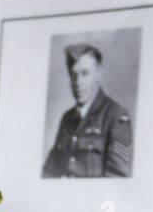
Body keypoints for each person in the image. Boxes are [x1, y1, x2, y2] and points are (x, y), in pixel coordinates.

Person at [42, 44, 133, 178]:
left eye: (85, 74)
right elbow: (49, 172)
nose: (78, 82)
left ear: (98, 76)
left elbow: (118, 179)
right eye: (73, 75)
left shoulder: (117, 116)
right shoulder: (67, 118)